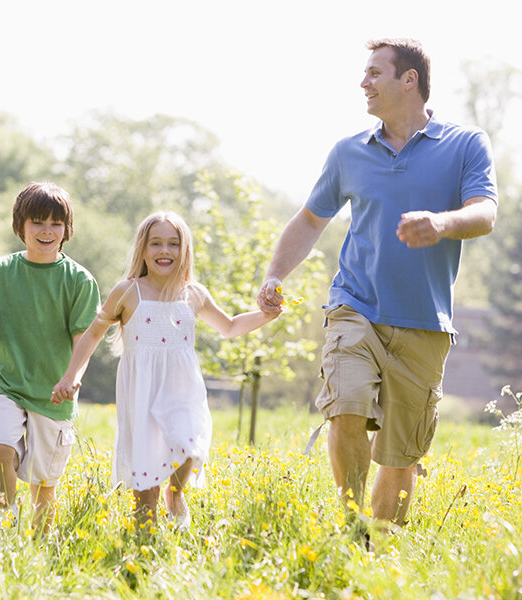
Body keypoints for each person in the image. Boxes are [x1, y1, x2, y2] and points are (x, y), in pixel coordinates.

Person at [257, 38, 497, 528]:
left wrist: (442, 224)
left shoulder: (466, 144)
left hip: (424, 322)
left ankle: (378, 550)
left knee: (400, 456)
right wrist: (275, 274)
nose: (363, 83)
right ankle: (351, 532)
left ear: (409, 80)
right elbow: (308, 221)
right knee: (345, 407)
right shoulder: (349, 152)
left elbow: (485, 212)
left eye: (374, 73)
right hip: (355, 306)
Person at [52, 211, 280, 528]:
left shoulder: (194, 294)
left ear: (184, 250)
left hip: (181, 388)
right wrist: (71, 376)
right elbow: (92, 334)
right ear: (143, 250)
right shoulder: (128, 291)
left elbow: (229, 326)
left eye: (173, 244)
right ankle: (146, 544)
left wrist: (265, 315)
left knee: (189, 444)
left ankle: (176, 493)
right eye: (156, 243)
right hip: (141, 390)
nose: (164, 251)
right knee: (145, 488)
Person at [0, 182, 100, 534]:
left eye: (55, 224)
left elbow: (85, 338)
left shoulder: (78, 280)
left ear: (66, 229)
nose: (46, 231)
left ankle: (40, 546)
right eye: (37, 222)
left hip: (54, 393)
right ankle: (5, 519)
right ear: (20, 226)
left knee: (44, 485)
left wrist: (72, 377)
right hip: (7, 385)